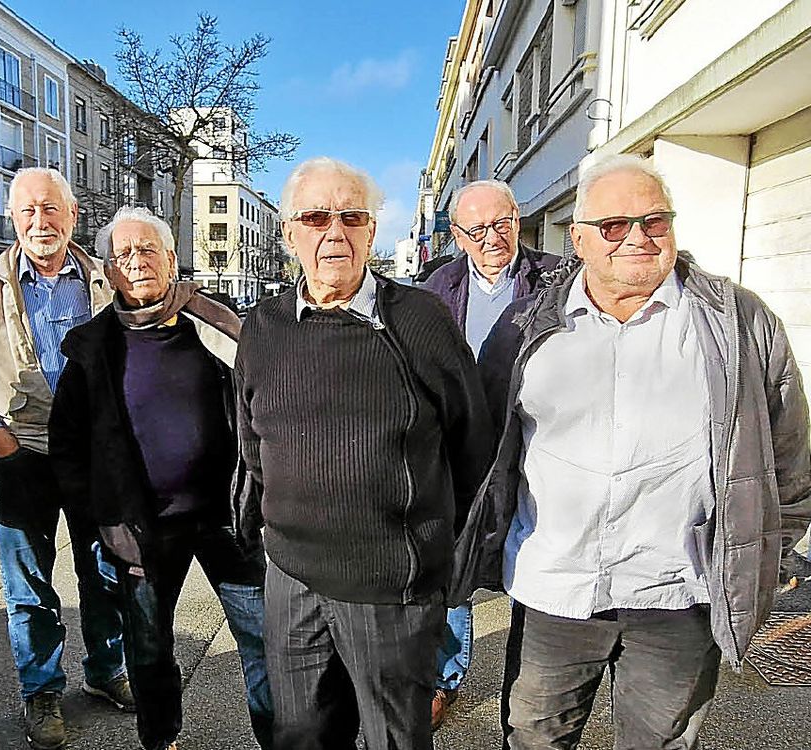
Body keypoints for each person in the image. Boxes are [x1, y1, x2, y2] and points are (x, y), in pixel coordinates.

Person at [453, 154, 811, 748]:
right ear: (579, 238)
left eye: (655, 222)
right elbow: (483, 452)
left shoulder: (738, 323)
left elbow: (790, 463)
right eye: (615, 226)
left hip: (679, 589)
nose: (638, 239)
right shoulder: (524, 326)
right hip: (555, 587)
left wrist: (752, 555)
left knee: (659, 742)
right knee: (535, 735)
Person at [235, 157, 495, 749]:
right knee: (300, 734)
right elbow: (251, 439)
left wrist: (440, 553)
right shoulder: (264, 325)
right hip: (292, 576)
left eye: (352, 217)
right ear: (289, 232)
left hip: (389, 585)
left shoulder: (419, 319)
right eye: (316, 217)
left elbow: (470, 441)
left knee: (393, 738)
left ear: (372, 230)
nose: (335, 232)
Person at [50, 207, 273, 750]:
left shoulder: (215, 328)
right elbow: (68, 447)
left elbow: (267, 400)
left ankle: (278, 738)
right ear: (108, 271)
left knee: (263, 639)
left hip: (226, 517)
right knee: (148, 646)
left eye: (148, 249)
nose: (137, 261)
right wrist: (101, 517)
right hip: (142, 529)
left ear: (172, 259)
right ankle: (161, 739)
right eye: (123, 254)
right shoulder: (90, 349)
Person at [0, 167, 129, 749]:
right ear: (12, 217)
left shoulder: (107, 281)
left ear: (73, 215)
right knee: (27, 582)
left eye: (51, 209)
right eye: (27, 210)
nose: (39, 220)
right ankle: (42, 689)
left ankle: (106, 673)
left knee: (104, 571)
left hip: (93, 455)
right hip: (20, 453)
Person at [422, 179, 559, 729]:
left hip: (533, 445)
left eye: (500, 224)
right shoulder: (436, 287)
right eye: (476, 229)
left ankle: (536, 688)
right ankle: (443, 678)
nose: (491, 237)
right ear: (457, 235)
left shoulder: (555, 278)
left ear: (517, 218)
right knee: (453, 565)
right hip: (462, 449)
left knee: (533, 554)